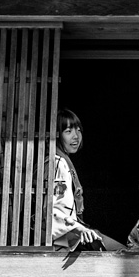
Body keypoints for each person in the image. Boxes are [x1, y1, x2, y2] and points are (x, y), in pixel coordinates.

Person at [51, 108, 124, 252]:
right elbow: (54, 208)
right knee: (124, 253)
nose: (76, 137)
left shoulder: (60, 160)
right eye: (69, 131)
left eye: (78, 131)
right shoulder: (57, 163)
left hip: (67, 231)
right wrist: (78, 228)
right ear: (57, 134)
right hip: (61, 236)